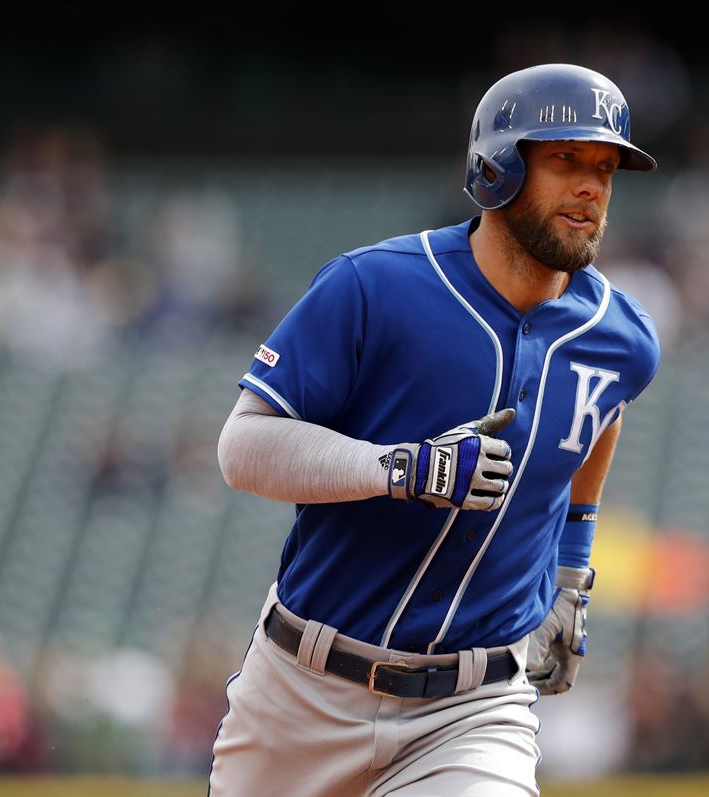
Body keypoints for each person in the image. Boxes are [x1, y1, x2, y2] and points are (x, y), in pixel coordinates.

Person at [208, 63, 660, 797]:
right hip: (303, 691)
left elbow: (603, 416)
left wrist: (573, 572)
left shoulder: (623, 337)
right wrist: (400, 468)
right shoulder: (375, 286)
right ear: (498, 168)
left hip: (472, 709)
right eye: (567, 161)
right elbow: (244, 447)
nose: (592, 188)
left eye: (606, 169)